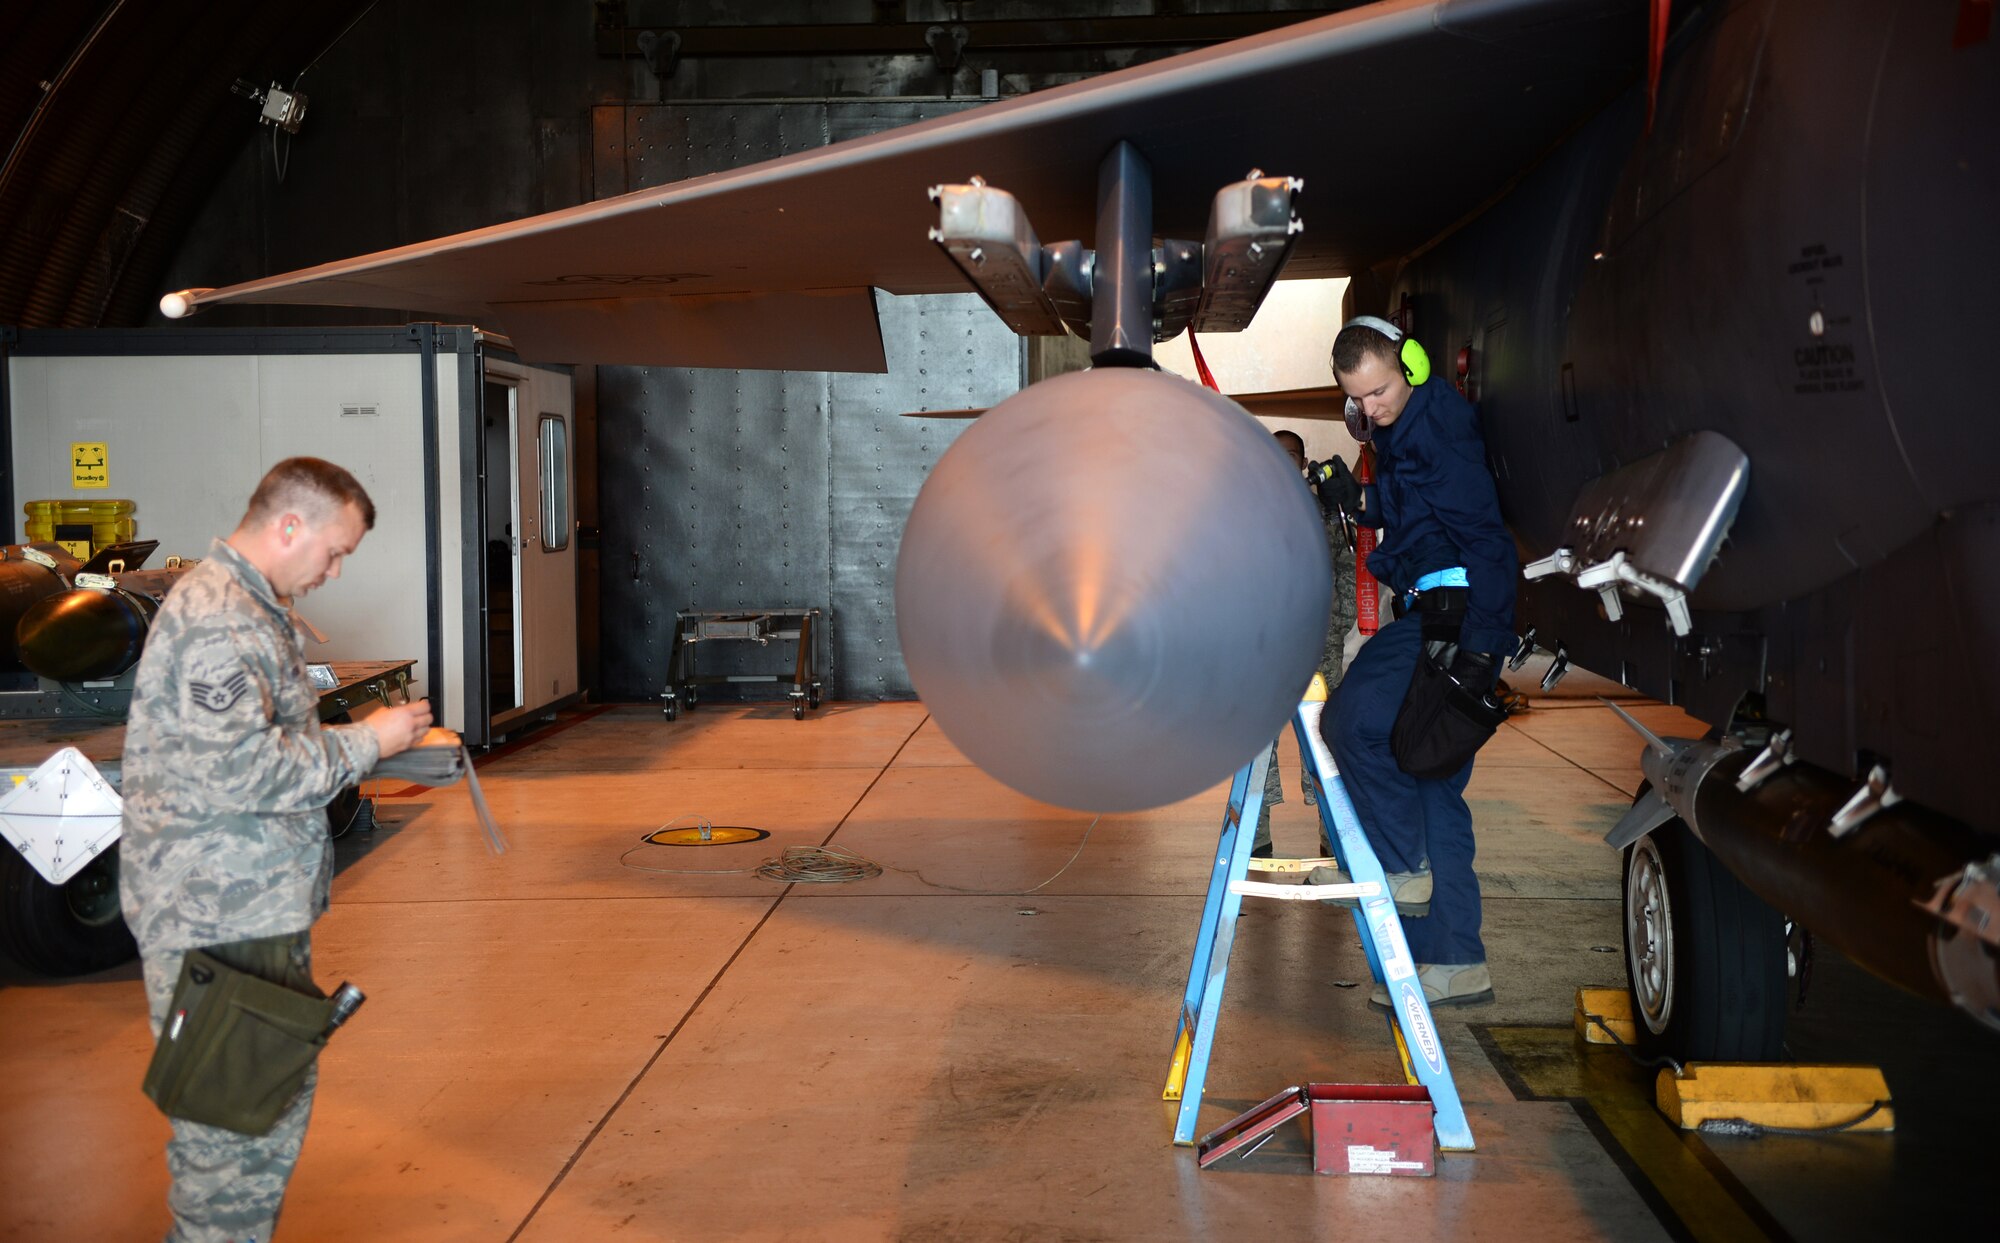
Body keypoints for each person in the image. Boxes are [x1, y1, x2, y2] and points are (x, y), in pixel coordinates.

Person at [119, 457, 434, 1242]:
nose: (334, 571)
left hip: (242, 910)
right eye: (335, 551)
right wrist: (369, 740)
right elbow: (240, 771)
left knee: (249, 1121)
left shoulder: (248, 606)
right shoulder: (221, 616)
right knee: (233, 1147)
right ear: (289, 525)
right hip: (219, 919)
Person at [1318, 317, 1516, 1009]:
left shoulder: (1435, 429)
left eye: (1378, 390)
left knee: (1348, 721)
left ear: (1412, 363)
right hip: (1437, 609)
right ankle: (1458, 960)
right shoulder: (1403, 434)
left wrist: (1482, 650)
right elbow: (1417, 521)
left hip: (1453, 616)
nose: (1371, 408)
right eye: (1358, 400)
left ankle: (1404, 863)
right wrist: (1358, 502)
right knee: (1431, 782)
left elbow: (1487, 541)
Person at [1253, 429, 1358, 857]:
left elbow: (1347, 565)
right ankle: (1256, 840)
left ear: (1302, 460)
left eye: (1291, 455)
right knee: (1257, 744)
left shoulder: (1327, 511)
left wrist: (1340, 619)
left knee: (1324, 738)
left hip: (1319, 644)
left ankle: (1330, 834)